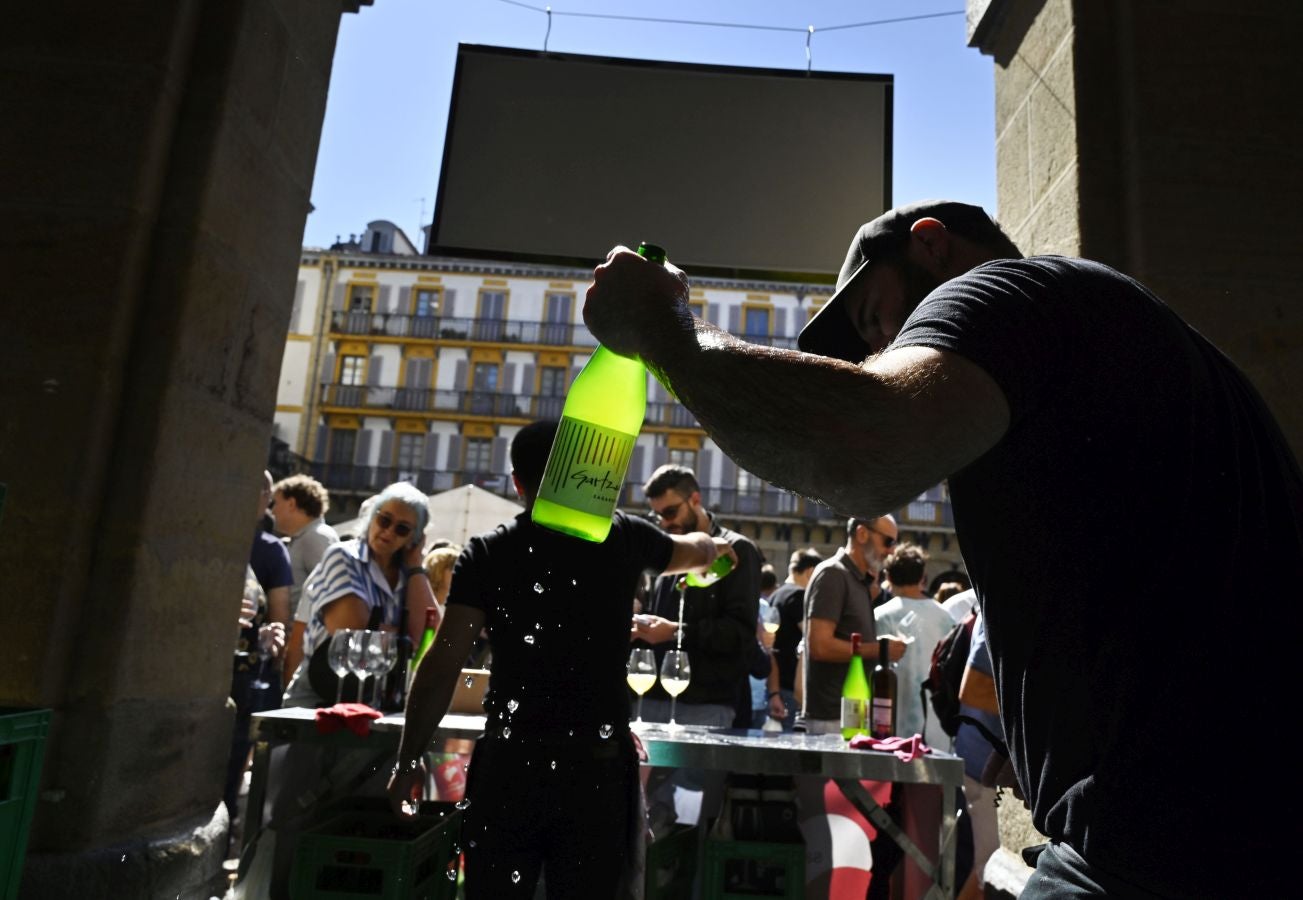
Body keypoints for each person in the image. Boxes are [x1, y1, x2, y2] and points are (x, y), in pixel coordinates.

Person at [581, 199, 1303, 898]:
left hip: (1167, 841)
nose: (882, 348)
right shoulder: (1123, 337)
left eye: (875, 318)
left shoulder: (1004, 293)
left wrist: (661, 326)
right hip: (1223, 823)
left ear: (929, 244)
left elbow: (859, 450)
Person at [386, 420, 736, 899]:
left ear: (517, 484)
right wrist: (715, 548)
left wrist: (407, 762)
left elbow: (442, 664)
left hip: (509, 767)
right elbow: (691, 551)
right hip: (595, 773)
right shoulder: (622, 537)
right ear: (579, 474)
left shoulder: (487, 553)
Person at [634, 464, 762, 834]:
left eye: (671, 512)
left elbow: (739, 636)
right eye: (657, 516)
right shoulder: (666, 553)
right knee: (645, 824)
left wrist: (675, 632)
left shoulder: (737, 551)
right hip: (653, 701)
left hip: (706, 706)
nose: (665, 522)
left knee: (691, 826)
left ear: (695, 500)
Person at [282, 481, 435, 708]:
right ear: (372, 517)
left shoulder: (408, 576)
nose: (389, 531)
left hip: (376, 701)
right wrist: (403, 639)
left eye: (402, 529)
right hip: (322, 697)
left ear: (414, 539)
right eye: (384, 520)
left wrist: (415, 567)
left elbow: (427, 635)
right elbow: (352, 632)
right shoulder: (343, 556)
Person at [874, 542, 955, 747]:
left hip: (891, 726)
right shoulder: (945, 617)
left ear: (888, 577)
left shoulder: (880, 616)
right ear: (922, 578)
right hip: (937, 728)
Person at [270, 474, 339, 684]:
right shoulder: (308, 537)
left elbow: (329, 596)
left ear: (292, 503)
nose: (272, 510)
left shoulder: (316, 537)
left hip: (303, 653)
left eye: (276, 503)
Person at [766, 548, 821, 731]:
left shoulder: (776, 595)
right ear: (810, 572)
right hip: (789, 684)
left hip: (773, 681)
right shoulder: (798, 596)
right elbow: (813, 635)